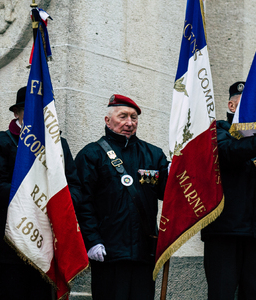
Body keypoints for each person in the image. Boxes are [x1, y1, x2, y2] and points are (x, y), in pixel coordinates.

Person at [0, 87, 82, 300]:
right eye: (29, 109)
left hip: (47, 245)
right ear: (17, 113)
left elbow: (73, 186)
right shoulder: (1, 142)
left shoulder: (59, 145)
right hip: (12, 244)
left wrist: (60, 203)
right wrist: (35, 199)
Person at [74, 94, 169, 300]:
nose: (129, 123)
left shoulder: (153, 154)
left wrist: (180, 168)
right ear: (108, 120)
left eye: (133, 117)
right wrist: (92, 241)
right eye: (123, 116)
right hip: (109, 252)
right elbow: (83, 203)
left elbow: (169, 195)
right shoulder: (91, 154)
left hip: (145, 252)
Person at [201, 81, 256, 299]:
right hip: (225, 233)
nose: (253, 109)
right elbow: (225, 153)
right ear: (231, 106)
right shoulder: (218, 129)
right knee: (222, 293)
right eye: (246, 104)